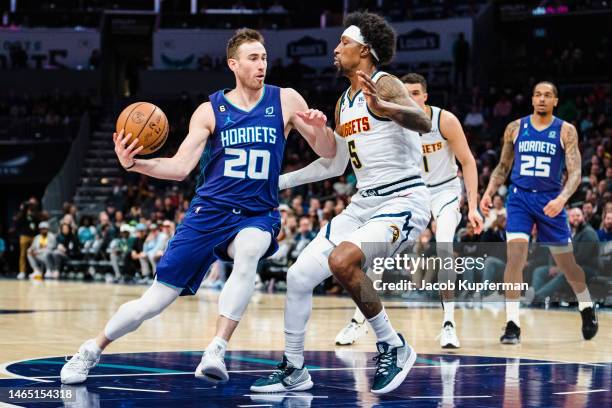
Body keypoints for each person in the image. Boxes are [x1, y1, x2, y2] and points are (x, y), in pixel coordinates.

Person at [60, 27, 336, 385]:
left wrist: (320, 129)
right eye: (253, 58)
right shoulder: (210, 110)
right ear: (233, 64)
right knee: (154, 302)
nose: (261, 64)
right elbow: (178, 167)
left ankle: (217, 348)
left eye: (264, 57)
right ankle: (90, 350)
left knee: (249, 251)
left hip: (258, 212)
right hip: (210, 213)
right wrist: (134, 164)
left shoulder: (286, 100)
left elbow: (328, 153)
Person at [250, 12, 432, 395]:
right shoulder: (343, 103)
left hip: (404, 199)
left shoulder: (386, 84)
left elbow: (423, 122)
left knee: (342, 261)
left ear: (365, 50)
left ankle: (393, 344)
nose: (335, 49)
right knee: (298, 276)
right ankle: (295, 369)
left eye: (343, 43)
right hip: (364, 203)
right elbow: (335, 163)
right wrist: (280, 181)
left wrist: (389, 109)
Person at [334, 72, 483, 349]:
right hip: (409, 192)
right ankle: (358, 321)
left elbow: (468, 162)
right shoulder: (392, 120)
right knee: (374, 251)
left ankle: (448, 323)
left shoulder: (444, 120)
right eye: (406, 93)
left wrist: (473, 207)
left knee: (444, 246)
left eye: (416, 93)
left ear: (425, 95)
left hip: (444, 191)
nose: (411, 98)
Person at [480, 81, 598, 344]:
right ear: (532, 99)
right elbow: (502, 167)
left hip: (550, 201)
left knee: (568, 265)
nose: (541, 99)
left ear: (555, 101)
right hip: (520, 198)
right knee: (515, 259)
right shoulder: (515, 128)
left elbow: (576, 172)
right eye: (537, 95)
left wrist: (562, 199)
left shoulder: (566, 130)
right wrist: (488, 192)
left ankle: (586, 306)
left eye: (547, 95)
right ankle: (512, 323)